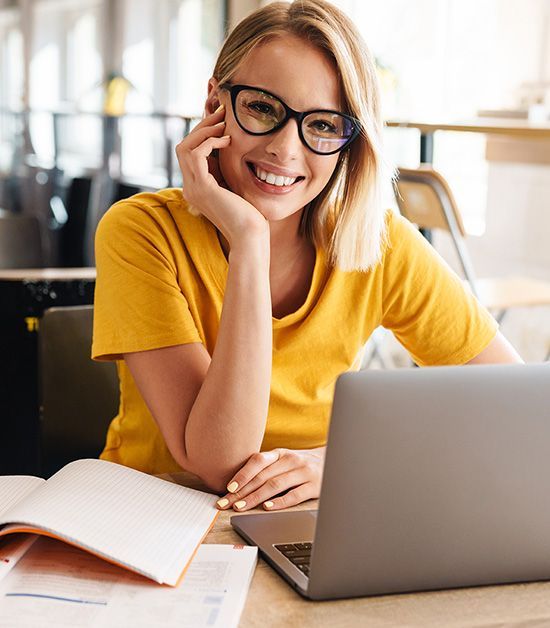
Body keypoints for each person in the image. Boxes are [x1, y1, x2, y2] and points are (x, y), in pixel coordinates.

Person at [92, 0, 522, 514]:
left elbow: (515, 403)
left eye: (321, 124)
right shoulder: (142, 231)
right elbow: (220, 463)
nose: (285, 148)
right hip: (151, 521)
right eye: (262, 108)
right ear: (215, 102)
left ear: (349, 142)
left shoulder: (376, 241)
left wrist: (337, 462)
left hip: (309, 524)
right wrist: (250, 239)